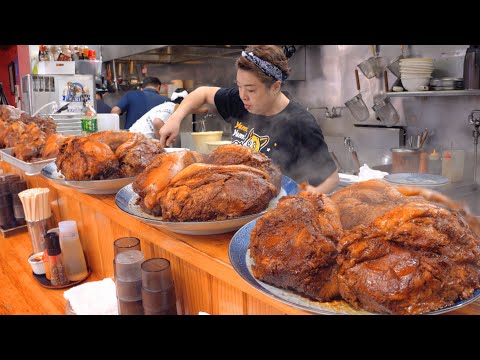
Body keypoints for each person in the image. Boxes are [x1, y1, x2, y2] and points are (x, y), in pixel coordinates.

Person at [159, 45, 339, 194]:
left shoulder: (301, 124)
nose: (243, 96)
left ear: (275, 87)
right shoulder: (240, 100)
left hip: (272, 210)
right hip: (235, 198)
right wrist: (175, 118)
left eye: (251, 90)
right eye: (239, 86)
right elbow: (202, 93)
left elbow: (331, 178)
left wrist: (314, 194)